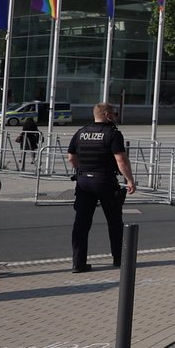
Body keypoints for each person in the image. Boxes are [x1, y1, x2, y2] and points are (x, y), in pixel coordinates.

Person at [66, 103, 137, 272]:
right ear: (107, 115)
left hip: (83, 182)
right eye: (115, 113)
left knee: (81, 224)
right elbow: (121, 160)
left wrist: (81, 169)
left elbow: (71, 158)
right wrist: (130, 180)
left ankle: (78, 263)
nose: (116, 116)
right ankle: (119, 259)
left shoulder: (80, 132)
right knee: (114, 222)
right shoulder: (113, 134)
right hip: (105, 181)